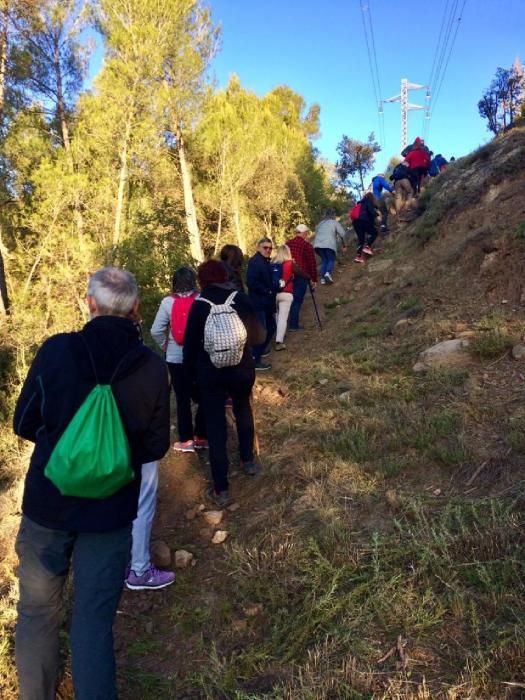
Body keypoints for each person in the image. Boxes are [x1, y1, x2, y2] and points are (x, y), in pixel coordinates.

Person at [13, 267, 170, 700]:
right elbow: (155, 445)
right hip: (111, 510)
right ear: (137, 309)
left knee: (37, 611)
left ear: (90, 303)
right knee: (93, 619)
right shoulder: (153, 368)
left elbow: (24, 421)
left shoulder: (57, 351)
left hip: (49, 504)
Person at [183, 260, 265, 508]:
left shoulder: (198, 306)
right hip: (241, 369)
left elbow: (190, 349)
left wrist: (191, 382)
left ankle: (221, 487)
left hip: (211, 374)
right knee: (243, 410)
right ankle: (248, 460)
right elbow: (259, 336)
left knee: (216, 425)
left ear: (202, 280)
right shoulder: (239, 298)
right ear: (224, 276)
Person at [150, 266, 207, 452]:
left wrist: (166, 346)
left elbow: (156, 330)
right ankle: (202, 436)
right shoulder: (201, 299)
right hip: (199, 355)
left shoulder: (167, 302)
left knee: (182, 399)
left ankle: (186, 440)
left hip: (175, 357)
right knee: (202, 396)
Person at [125, 460, 176, 590]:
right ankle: (139, 570)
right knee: (143, 502)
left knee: (122, 498)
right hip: (143, 449)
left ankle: (125, 562)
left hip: (115, 450)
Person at [246, 237, 276, 370]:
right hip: (258, 303)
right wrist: (267, 291)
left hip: (267, 302)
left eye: (270, 248)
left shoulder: (265, 261)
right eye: (265, 247)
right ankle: (254, 359)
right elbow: (251, 282)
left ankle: (259, 351)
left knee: (271, 327)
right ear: (259, 247)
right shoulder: (255, 262)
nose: (268, 250)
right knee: (261, 331)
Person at [286, 223, 317, 331]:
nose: (307, 235)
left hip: (288, 275)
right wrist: (314, 278)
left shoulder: (287, 244)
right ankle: (293, 325)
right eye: (306, 233)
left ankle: (285, 323)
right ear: (303, 233)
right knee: (297, 300)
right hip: (301, 275)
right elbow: (311, 263)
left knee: (289, 299)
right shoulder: (306, 245)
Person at [313, 209, 347, 284]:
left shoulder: (320, 223)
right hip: (328, 244)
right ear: (333, 215)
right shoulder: (334, 222)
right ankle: (328, 273)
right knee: (331, 259)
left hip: (317, 245)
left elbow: (317, 233)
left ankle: (322, 279)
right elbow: (342, 234)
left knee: (325, 260)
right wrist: (344, 245)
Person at [272, 244, 295, 351]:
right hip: (286, 293)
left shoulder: (272, 263)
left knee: (276, 316)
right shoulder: (290, 263)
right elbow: (299, 273)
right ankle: (279, 341)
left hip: (273, 293)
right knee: (283, 318)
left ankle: (277, 334)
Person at [353, 193, 379, 264]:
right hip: (363, 221)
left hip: (355, 223)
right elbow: (371, 211)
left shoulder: (359, 203)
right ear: (371, 197)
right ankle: (367, 247)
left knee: (361, 239)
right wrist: (377, 214)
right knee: (375, 232)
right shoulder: (367, 201)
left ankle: (358, 257)